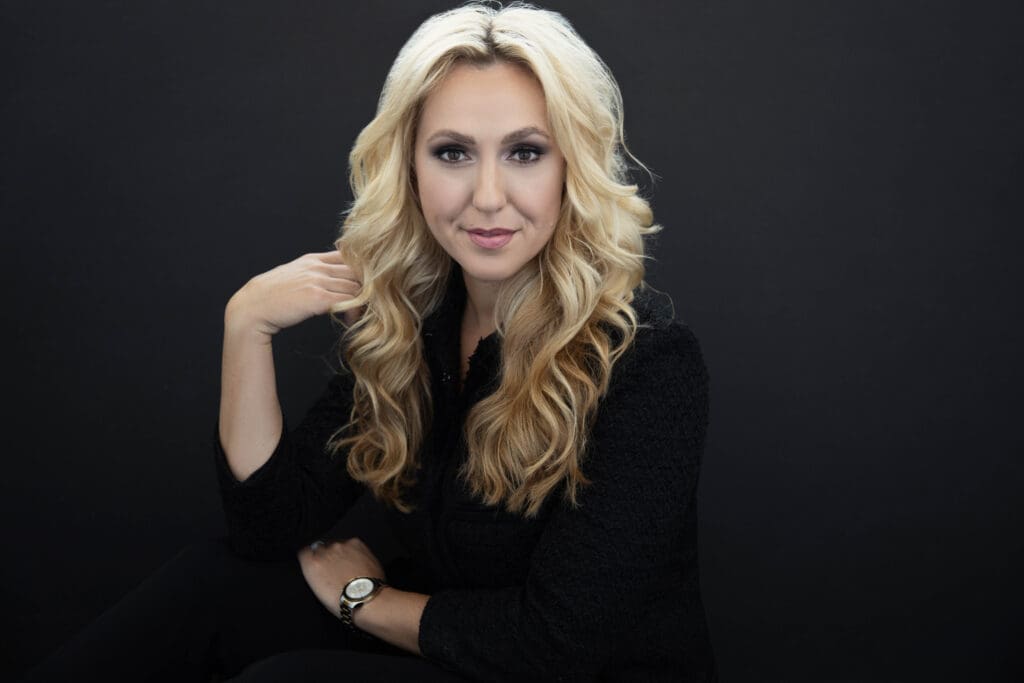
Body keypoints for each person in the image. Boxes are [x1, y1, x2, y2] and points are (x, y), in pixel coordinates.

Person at [22, 2, 716, 681]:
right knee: (217, 580)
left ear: (573, 168)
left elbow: (555, 646)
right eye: (452, 153)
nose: (487, 195)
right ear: (410, 170)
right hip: (455, 648)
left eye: (526, 152)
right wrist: (247, 327)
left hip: (561, 670)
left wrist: (367, 601)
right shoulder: (421, 329)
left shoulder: (648, 363)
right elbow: (267, 527)